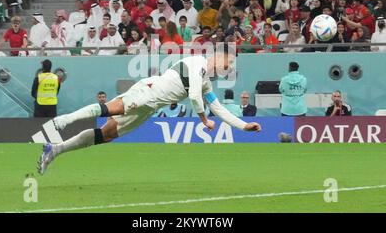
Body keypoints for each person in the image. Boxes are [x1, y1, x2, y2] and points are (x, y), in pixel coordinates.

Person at [37, 44, 262, 174]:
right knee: (110, 109)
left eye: (231, 65)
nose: (229, 67)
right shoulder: (197, 64)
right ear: (217, 55)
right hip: (147, 91)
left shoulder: (206, 83)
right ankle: (66, 119)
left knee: (106, 135)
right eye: (229, 61)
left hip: (150, 108)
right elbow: (194, 96)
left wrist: (244, 126)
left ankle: (54, 150)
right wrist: (204, 120)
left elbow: (219, 108)